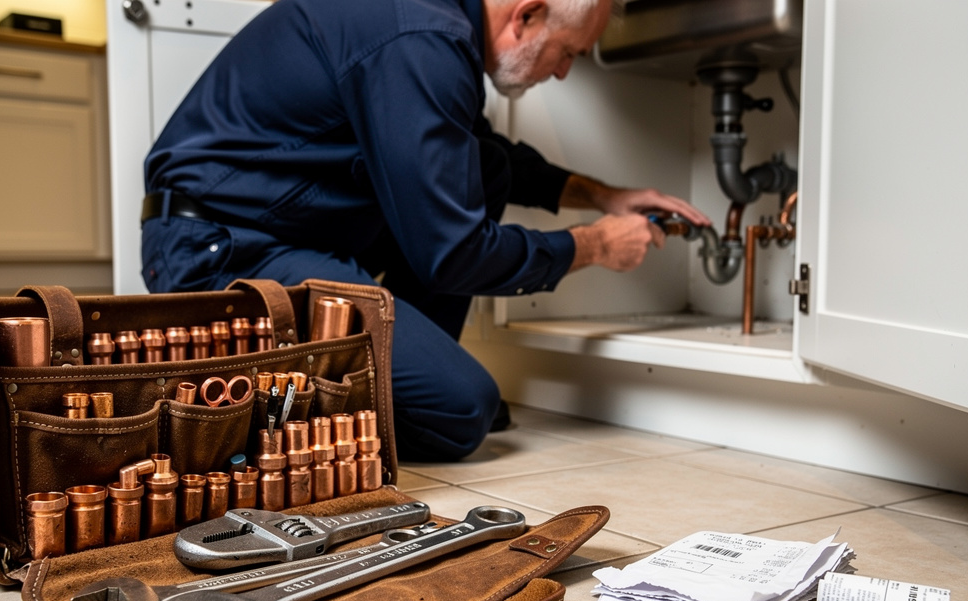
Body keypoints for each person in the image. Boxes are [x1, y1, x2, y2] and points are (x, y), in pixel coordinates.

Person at [141, 0, 710, 462]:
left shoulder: (432, 26)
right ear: (528, 15)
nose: (562, 71)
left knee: (478, 171)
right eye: (568, 53)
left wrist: (602, 194)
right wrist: (594, 245)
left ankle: (392, 389)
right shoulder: (422, 37)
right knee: (462, 411)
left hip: (284, 232)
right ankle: (233, 413)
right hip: (221, 250)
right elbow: (455, 253)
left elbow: (485, 160)